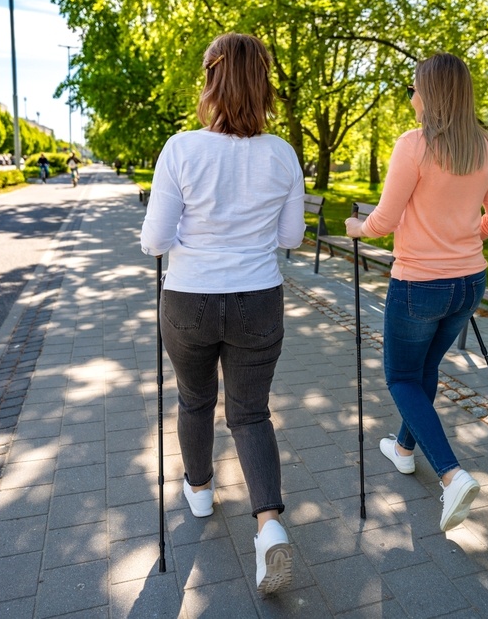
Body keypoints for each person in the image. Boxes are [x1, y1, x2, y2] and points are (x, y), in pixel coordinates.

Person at [140, 32, 305, 595]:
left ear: (211, 79)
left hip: (189, 298)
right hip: (259, 297)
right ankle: (270, 525)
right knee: (251, 413)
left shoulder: (182, 148)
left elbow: (155, 242)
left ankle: (201, 490)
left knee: (194, 399)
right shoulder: (282, 153)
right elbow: (291, 237)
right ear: (263, 84)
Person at [345, 52, 488, 532]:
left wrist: (354, 227)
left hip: (420, 284)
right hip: (470, 283)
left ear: (431, 95)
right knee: (425, 370)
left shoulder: (414, 145)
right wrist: (461, 239)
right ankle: (402, 449)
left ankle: (451, 474)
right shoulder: (487, 148)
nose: (412, 97)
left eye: (416, 88)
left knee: (400, 376)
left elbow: (383, 222)